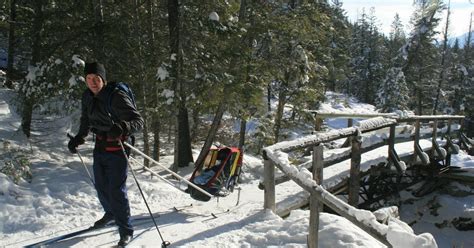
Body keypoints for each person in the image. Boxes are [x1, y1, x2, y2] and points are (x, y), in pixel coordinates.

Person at [67, 62, 143, 247]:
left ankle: (126, 230)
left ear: (103, 79)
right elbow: (86, 119)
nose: (93, 82)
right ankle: (110, 213)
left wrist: (123, 126)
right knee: (101, 185)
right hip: (100, 145)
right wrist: (79, 137)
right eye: (89, 79)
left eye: (96, 79)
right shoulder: (87, 96)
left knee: (116, 189)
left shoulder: (115, 96)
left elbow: (138, 122)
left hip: (119, 147)